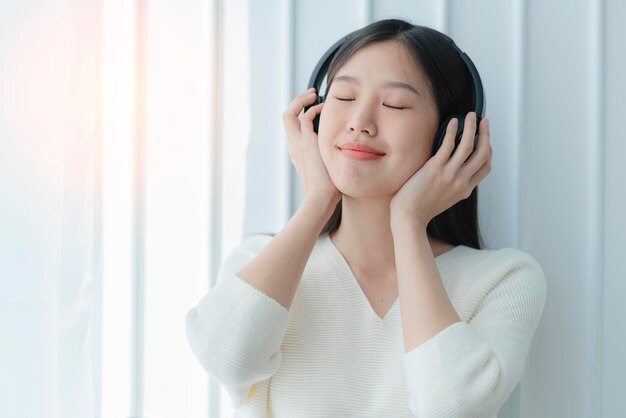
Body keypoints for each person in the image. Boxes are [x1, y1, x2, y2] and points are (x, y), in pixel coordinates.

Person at [186, 18, 547, 418]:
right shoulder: (259, 262)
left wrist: (408, 221)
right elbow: (224, 358)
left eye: (394, 104)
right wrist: (319, 199)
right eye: (342, 98)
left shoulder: (503, 279)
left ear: (452, 135)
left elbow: (452, 406)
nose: (359, 121)